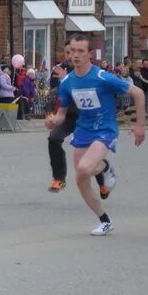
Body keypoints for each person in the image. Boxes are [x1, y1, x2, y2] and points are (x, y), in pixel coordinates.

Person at [46, 34, 145, 236]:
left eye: (80, 51)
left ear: (90, 54)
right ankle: (104, 220)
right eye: (72, 51)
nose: (75, 55)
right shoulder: (67, 82)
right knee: (81, 178)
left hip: (105, 129)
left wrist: (140, 126)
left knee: (84, 167)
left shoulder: (103, 77)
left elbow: (139, 94)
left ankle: (106, 167)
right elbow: (62, 115)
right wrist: (53, 121)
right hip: (83, 129)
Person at [46, 44, 107, 195]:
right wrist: (51, 114)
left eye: (75, 52)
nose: (71, 56)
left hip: (86, 117)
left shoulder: (86, 70)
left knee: (89, 152)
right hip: (67, 116)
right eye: (68, 52)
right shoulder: (58, 70)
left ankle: (102, 182)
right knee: (53, 138)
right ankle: (59, 178)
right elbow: (54, 93)